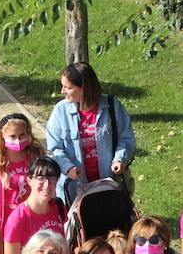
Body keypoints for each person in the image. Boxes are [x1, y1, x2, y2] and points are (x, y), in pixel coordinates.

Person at [45, 61, 136, 205]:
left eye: (68, 87)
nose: (62, 91)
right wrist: (68, 168)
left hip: (109, 186)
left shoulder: (112, 105)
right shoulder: (60, 111)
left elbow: (126, 138)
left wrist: (120, 159)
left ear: (84, 88)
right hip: (75, 190)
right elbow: (54, 149)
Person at [0, 112, 43, 233]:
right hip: (3, 223)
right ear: (2, 135)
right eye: (13, 136)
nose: (18, 140)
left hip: (32, 219)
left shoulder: (35, 155)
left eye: (22, 135)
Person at [1, 157, 64, 254]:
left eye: (52, 179)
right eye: (41, 178)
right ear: (29, 180)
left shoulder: (58, 207)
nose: (47, 185)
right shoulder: (17, 219)